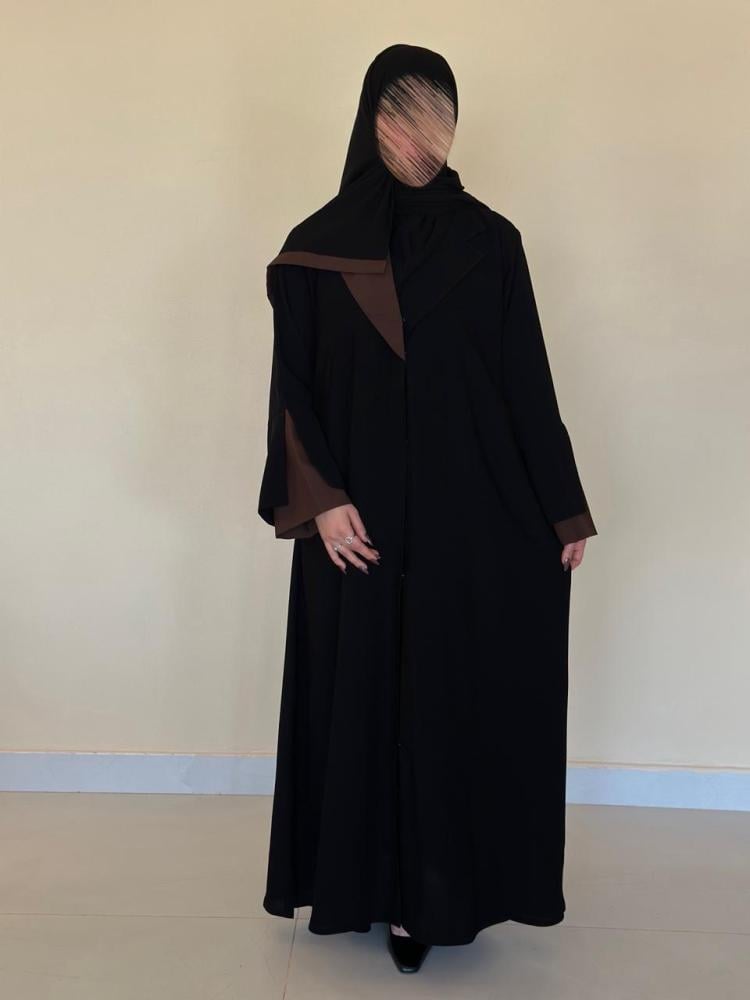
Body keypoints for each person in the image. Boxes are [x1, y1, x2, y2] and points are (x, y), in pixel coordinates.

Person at [258, 43, 598, 975]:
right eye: (402, 115)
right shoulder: (318, 248)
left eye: (437, 116)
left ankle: (429, 901)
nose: (422, 137)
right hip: (358, 526)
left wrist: (563, 511)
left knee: (447, 703)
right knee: (366, 698)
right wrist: (324, 504)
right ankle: (365, 886)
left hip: (470, 521)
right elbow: (295, 392)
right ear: (371, 121)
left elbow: (526, 384)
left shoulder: (492, 243)